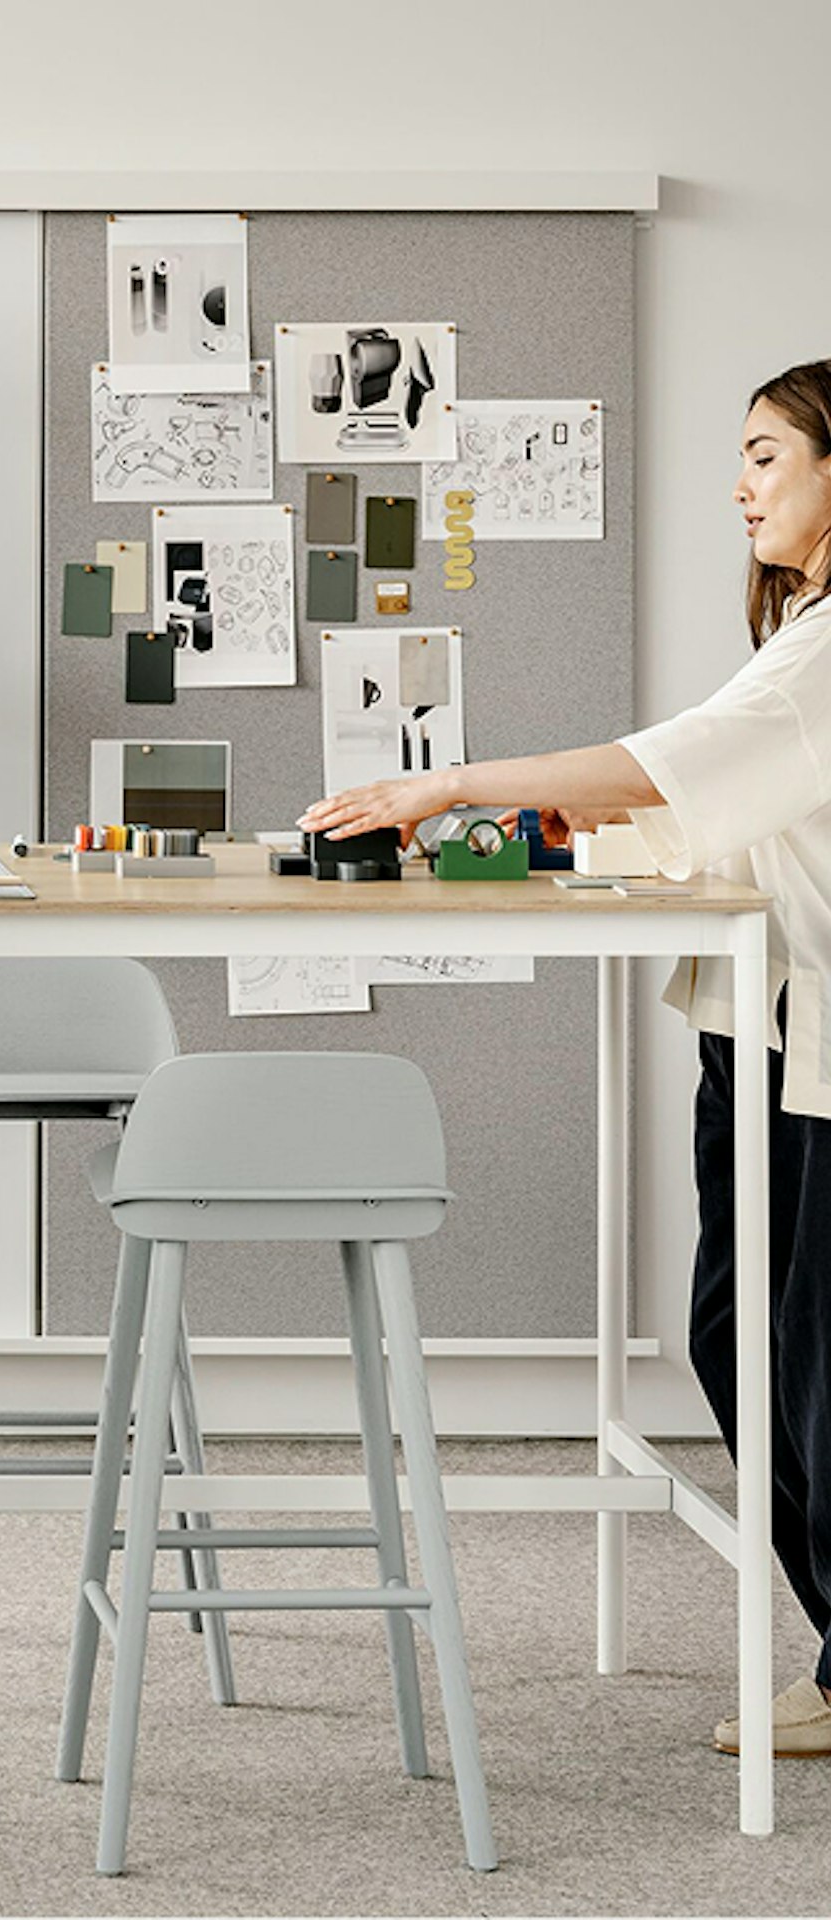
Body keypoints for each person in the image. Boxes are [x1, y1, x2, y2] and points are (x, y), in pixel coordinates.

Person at [300, 358, 831, 1758]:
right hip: (760, 1024)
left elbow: (671, 768)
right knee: (740, 1336)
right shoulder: (803, 634)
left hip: (816, 1043)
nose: (739, 487)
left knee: (809, 1358)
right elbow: (707, 811)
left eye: (767, 457)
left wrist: (454, 782)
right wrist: (528, 838)